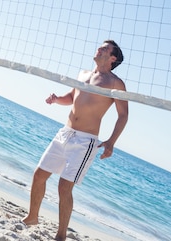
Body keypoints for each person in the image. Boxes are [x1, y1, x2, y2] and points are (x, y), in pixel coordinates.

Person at [22, 40, 129, 241]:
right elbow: (72, 97)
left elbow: (123, 115)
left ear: (113, 58)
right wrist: (56, 99)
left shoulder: (116, 83)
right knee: (39, 175)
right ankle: (32, 217)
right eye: (101, 46)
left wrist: (111, 141)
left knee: (64, 186)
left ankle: (61, 235)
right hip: (65, 132)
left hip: (85, 141)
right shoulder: (83, 74)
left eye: (105, 48)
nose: (100, 48)